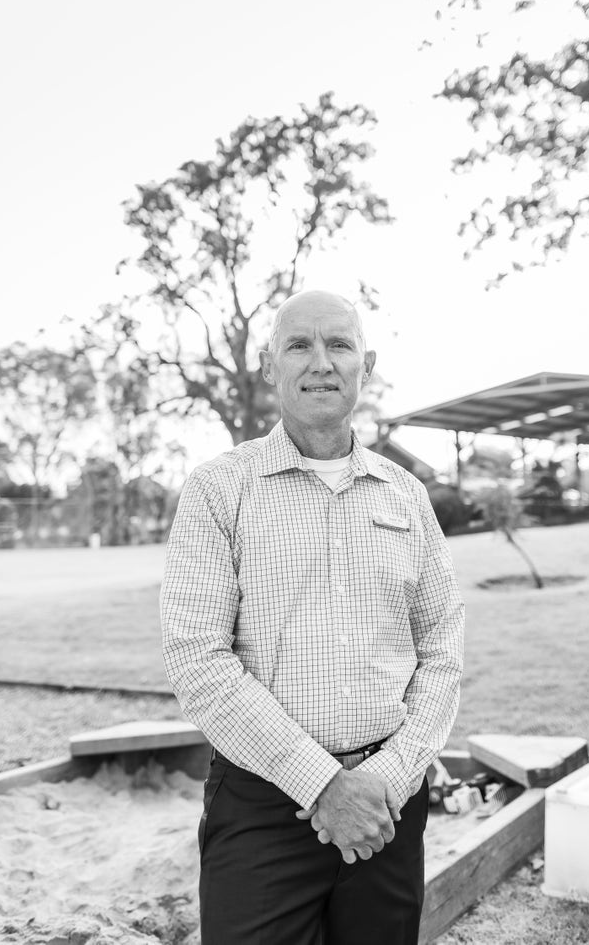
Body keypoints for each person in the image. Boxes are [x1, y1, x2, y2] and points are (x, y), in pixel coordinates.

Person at [161, 290, 465, 945]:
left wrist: (388, 775)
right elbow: (197, 657)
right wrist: (324, 785)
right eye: (299, 344)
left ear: (367, 364)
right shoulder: (219, 488)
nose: (320, 361)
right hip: (263, 804)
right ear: (271, 366)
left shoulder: (407, 496)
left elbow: (441, 648)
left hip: (390, 803)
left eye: (339, 344)